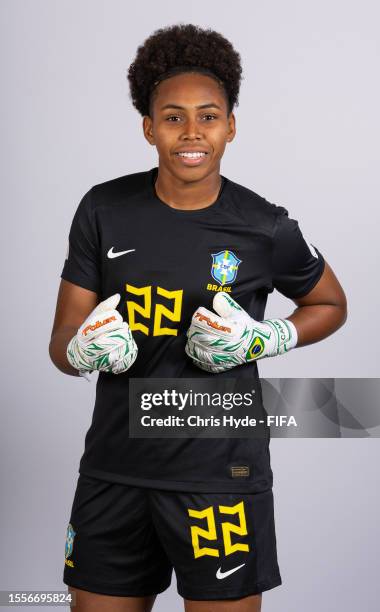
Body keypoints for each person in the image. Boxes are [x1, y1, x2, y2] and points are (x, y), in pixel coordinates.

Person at [49, 24, 347, 612]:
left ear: (231, 126)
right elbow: (61, 341)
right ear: (148, 127)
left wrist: (270, 335)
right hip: (115, 471)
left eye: (208, 116)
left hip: (221, 476)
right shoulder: (103, 209)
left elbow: (331, 304)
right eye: (173, 116)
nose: (191, 132)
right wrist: (81, 350)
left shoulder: (264, 226)